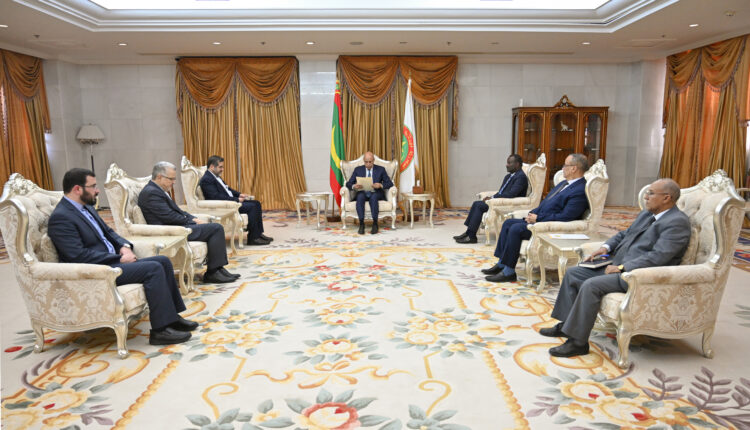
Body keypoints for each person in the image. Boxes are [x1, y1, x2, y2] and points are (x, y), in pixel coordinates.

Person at [541, 178, 690, 358]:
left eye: (651, 193)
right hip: (616, 264)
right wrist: (605, 247)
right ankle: (566, 326)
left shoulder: (677, 222)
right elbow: (624, 234)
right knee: (573, 273)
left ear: (666, 198)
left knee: (591, 285)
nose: (646, 197)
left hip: (639, 275)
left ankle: (578, 343)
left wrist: (622, 267)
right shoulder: (646, 214)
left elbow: (659, 256)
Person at [47, 168, 197, 345]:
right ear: (77, 189)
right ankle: (160, 331)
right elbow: (77, 255)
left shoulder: (86, 207)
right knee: (154, 269)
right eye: (93, 186)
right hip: (100, 270)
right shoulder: (61, 217)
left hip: (113, 261)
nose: (97, 190)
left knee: (163, 261)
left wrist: (124, 247)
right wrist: (117, 259)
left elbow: (109, 233)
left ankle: (172, 318)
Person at [483, 153, 590, 283]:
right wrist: (532, 214)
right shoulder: (563, 183)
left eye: (565, 165)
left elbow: (566, 216)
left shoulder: (580, 190)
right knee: (508, 223)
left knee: (515, 229)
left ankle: (508, 272)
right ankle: (502, 264)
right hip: (539, 218)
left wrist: (538, 218)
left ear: (574, 168)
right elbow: (546, 202)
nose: (562, 168)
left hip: (548, 226)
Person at [138, 161, 239, 284]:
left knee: (214, 227)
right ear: (159, 177)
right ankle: (213, 272)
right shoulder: (150, 193)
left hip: (178, 226)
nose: (174, 182)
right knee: (216, 228)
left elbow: (178, 211)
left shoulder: (158, 190)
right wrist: (192, 221)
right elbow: (169, 217)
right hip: (171, 232)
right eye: (171, 179)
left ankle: (218, 269)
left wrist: (194, 218)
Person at [199, 155, 272, 246]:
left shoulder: (214, 175)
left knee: (256, 203)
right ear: (212, 167)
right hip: (226, 206)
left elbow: (227, 189)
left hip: (230, 201)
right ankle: (253, 238)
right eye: (220, 167)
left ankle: (258, 234)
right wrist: (236, 199)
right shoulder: (207, 179)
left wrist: (239, 194)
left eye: (222, 167)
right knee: (252, 207)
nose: (222, 169)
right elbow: (216, 197)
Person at [454, 154, 528, 244]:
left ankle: (471, 236)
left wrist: (493, 198)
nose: (506, 165)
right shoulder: (508, 176)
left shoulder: (521, 177)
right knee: (476, 203)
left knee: (479, 206)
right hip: (500, 201)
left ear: (517, 164)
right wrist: (492, 197)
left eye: (509, 163)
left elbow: (511, 194)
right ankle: (468, 233)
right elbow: (501, 192)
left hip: (508, 204)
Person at [345, 151, 394, 235]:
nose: (368, 164)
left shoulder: (381, 169)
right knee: (360, 197)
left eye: (370, 162)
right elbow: (348, 184)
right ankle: (361, 224)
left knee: (373, 197)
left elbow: (390, 183)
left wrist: (380, 185)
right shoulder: (358, 169)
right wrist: (354, 186)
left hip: (376, 192)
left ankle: (375, 223)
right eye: (366, 162)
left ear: (373, 160)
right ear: (363, 161)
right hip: (362, 192)